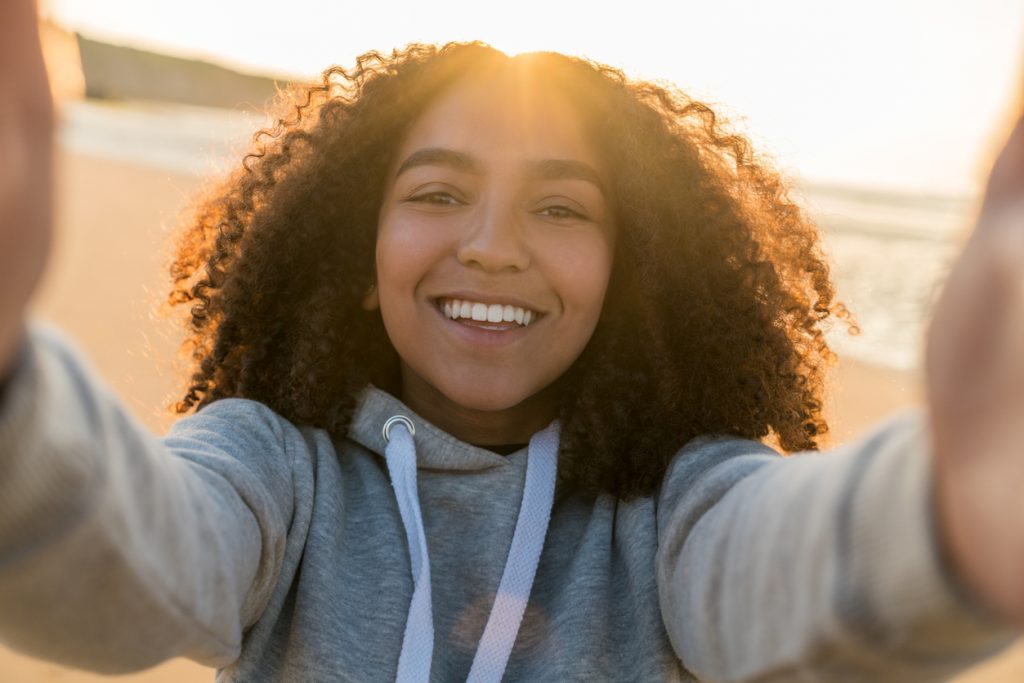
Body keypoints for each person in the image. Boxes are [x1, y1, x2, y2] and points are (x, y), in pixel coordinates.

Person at [1, 0, 1023, 680]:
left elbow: (797, 565)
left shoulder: (678, 508)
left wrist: (945, 510)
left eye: (562, 209)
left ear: (632, 273)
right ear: (357, 255)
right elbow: (126, 558)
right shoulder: (274, 471)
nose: (492, 248)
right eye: (438, 193)